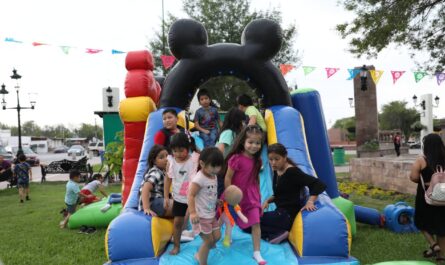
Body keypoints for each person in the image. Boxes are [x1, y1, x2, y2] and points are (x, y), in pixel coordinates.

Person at [262, 143, 326, 243]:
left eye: (277, 159)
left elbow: (317, 183)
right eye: (271, 159)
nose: (273, 162)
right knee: (250, 222)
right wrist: (267, 201)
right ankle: (277, 233)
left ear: (285, 157)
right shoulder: (277, 170)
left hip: (287, 215)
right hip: (279, 213)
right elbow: (280, 194)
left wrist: (310, 201)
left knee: (252, 223)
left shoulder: (292, 172)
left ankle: (281, 232)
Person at [224, 124, 266, 265]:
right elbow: (228, 177)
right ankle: (228, 234)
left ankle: (257, 252)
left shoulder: (257, 161)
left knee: (256, 222)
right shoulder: (236, 158)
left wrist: (258, 193)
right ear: (243, 142)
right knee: (230, 218)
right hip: (236, 194)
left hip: (251, 196)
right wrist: (229, 193)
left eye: (257, 143)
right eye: (250, 142)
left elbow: (256, 178)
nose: (254, 146)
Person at [410, 134, 445, 262]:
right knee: (441, 227)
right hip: (443, 198)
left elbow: (413, 177)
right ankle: (441, 258)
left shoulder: (421, 159)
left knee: (421, 221)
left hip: (426, 197)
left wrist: (427, 182)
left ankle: (433, 244)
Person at [164, 133, 200, 255]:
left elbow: (205, 156)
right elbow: (168, 179)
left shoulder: (194, 159)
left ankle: (207, 243)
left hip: (194, 197)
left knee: (202, 219)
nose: (178, 154)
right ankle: (176, 246)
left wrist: (194, 146)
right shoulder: (171, 162)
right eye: (175, 151)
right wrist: (165, 196)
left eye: (181, 150)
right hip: (179, 198)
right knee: (177, 222)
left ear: (188, 148)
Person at [188, 147, 224, 265]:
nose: (217, 169)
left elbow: (208, 193)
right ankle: (201, 260)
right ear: (202, 164)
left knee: (217, 236)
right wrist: (193, 212)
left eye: (219, 166)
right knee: (209, 242)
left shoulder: (213, 175)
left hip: (210, 215)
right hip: (201, 217)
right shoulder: (199, 179)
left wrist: (216, 200)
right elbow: (191, 195)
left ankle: (201, 253)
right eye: (213, 166)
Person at [138, 144, 173, 217]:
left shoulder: (163, 172)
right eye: (161, 157)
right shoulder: (156, 172)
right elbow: (145, 188)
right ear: (154, 161)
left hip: (158, 201)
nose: (166, 159)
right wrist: (146, 208)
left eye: (167, 156)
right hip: (153, 203)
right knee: (180, 207)